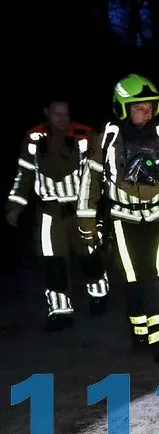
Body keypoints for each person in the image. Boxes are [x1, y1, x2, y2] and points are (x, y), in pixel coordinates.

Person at [76, 74, 159, 363]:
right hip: (121, 217)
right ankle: (140, 333)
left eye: (151, 106)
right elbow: (90, 179)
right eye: (140, 107)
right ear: (123, 107)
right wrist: (86, 220)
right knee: (132, 277)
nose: (147, 112)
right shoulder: (106, 137)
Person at [5, 99, 110, 329]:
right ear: (47, 113)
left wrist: (101, 205)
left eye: (65, 114)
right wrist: (15, 206)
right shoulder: (33, 138)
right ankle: (60, 310)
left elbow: (99, 172)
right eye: (56, 114)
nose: (62, 118)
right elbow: (24, 175)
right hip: (49, 212)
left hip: (82, 209)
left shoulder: (85, 135)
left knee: (91, 254)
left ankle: (99, 295)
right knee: (54, 263)